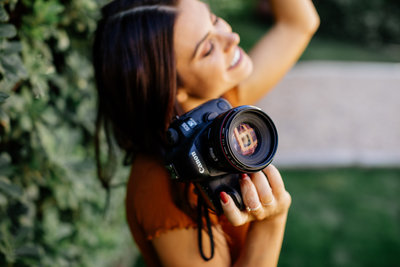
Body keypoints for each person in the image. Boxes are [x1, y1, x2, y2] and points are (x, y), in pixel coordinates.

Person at [93, 0, 319, 266]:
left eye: (213, 20)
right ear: (172, 88)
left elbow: (300, 23)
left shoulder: (222, 110)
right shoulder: (159, 186)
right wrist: (271, 222)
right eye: (208, 49)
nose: (232, 37)